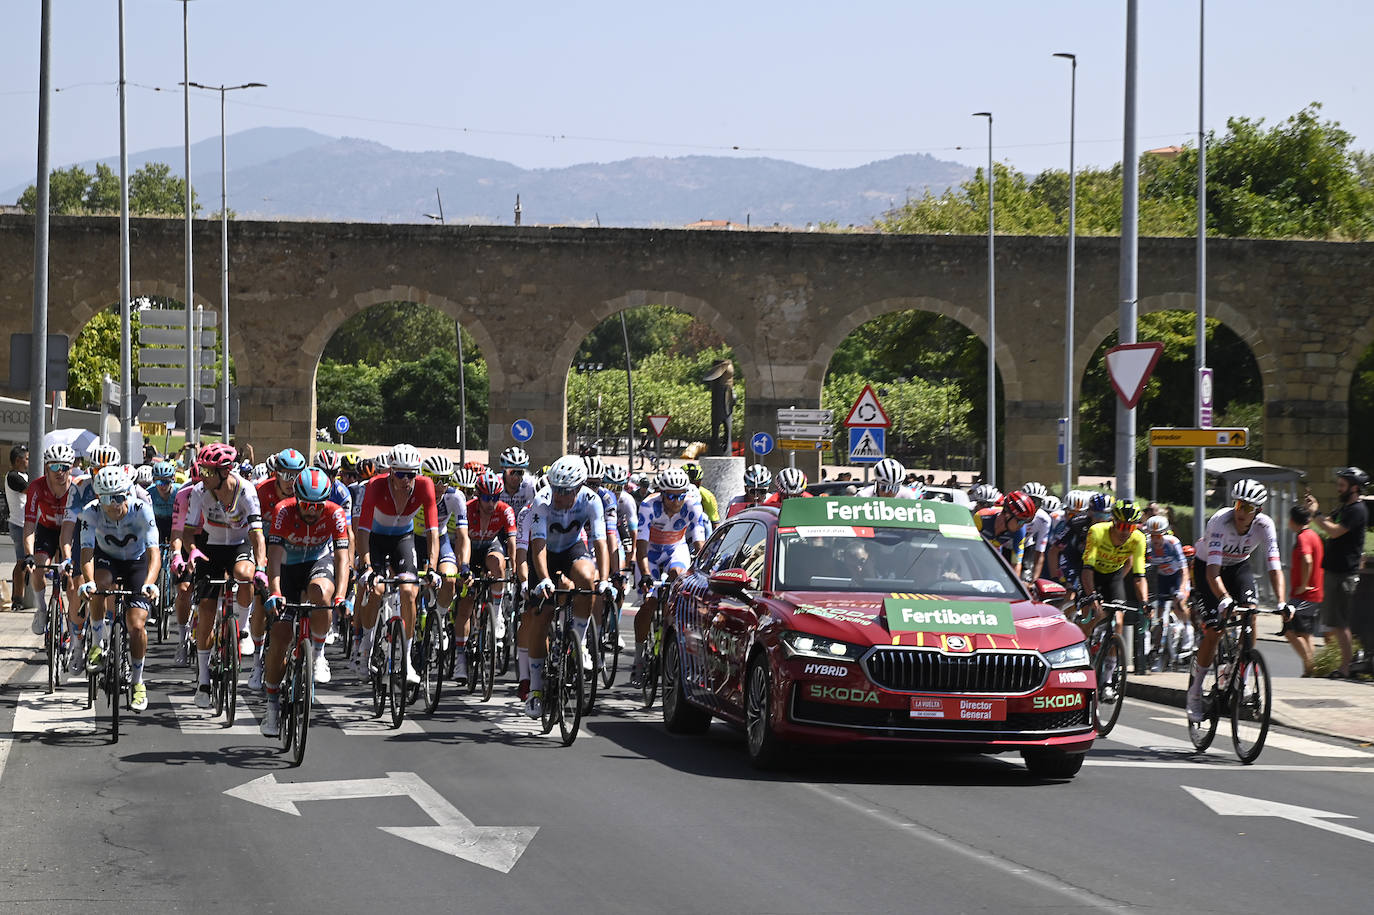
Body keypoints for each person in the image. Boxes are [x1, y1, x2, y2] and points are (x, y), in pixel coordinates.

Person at [1185, 479, 1286, 722]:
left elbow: (1274, 567)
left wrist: (1282, 602)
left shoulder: (1265, 526)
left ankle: (1244, 675)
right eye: (1239, 504)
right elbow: (1212, 573)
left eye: (1249, 508)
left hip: (1239, 567)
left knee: (1251, 614)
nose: (1242, 512)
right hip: (1208, 568)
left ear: (1258, 511)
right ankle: (1196, 691)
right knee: (1214, 630)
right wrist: (1223, 599)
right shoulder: (1221, 521)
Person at [261, 468, 350, 734]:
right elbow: (274, 557)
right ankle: (272, 707)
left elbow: (343, 558)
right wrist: (275, 591)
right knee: (279, 639)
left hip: (317, 562)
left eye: (318, 506)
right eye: (306, 505)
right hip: (287, 569)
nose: (312, 511)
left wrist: (342, 595)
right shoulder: (283, 511)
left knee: (321, 593)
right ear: (296, 499)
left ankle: (319, 654)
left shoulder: (335, 512)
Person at [525, 456, 614, 716]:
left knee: (588, 579)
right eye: (556, 489)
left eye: (565, 491)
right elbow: (538, 545)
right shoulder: (542, 501)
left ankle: (580, 642)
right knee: (541, 616)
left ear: (578, 488)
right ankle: (536, 689)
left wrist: (605, 580)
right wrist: (543, 578)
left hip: (572, 547)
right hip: (545, 555)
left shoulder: (591, 500)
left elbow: (600, 542)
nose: (559, 496)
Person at [182, 443, 268, 708]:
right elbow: (188, 532)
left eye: (208, 471)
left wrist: (261, 567)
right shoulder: (199, 492)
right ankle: (204, 681)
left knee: (245, 574)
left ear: (224, 472)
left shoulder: (246, 491)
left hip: (240, 544)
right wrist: (192, 551)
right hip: (212, 546)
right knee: (207, 610)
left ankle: (240, 631)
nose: (202, 475)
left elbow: (257, 536)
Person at [76, 465, 161, 712]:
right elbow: (87, 553)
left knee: (136, 625)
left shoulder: (141, 510)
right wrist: (88, 581)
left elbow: (154, 553)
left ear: (128, 493)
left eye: (119, 497)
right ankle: (97, 643)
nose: (113, 505)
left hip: (137, 562)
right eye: (106, 498)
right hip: (107, 559)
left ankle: (137, 682)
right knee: (98, 586)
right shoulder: (90, 512)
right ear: (97, 497)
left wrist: (150, 583)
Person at [354, 444, 440, 686]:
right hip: (375, 540)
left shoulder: (425, 486)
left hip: (403, 538)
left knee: (409, 590)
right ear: (390, 471)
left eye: (411, 474)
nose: (406, 480)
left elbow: (433, 531)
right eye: (400, 474)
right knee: (377, 589)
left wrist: (432, 567)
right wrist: (368, 567)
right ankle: (367, 644)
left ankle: (406, 661)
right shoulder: (375, 486)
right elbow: (363, 530)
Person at [630, 467, 704, 688]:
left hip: (675, 549)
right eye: (671, 496)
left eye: (681, 495)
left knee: (678, 576)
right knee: (650, 601)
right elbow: (640, 549)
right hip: (650, 553)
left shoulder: (691, 504)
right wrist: (644, 576)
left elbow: (699, 543)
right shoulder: (648, 506)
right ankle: (639, 658)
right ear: (662, 494)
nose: (676, 501)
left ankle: (671, 632)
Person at [1304, 467, 1367, 679]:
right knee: (1337, 623)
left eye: (1342, 485)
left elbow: (1333, 531)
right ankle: (1348, 663)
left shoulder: (1357, 510)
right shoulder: (1345, 508)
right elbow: (1327, 524)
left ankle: (1346, 667)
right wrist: (1314, 512)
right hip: (1334, 572)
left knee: (1340, 623)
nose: (1338, 488)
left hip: (1344, 574)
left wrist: (1316, 513)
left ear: (1354, 487)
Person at [1281, 504, 1324, 677]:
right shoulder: (1314, 535)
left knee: (1288, 630)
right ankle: (1308, 671)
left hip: (1303, 594)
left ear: (1292, 521)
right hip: (1315, 593)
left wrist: (1304, 584)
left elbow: (1307, 560)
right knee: (1305, 634)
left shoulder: (1303, 538)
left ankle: (1311, 667)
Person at [7, 445, 28, 611]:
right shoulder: (13, 476)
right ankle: (18, 599)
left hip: (24, 523)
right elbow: (30, 490)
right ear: (18, 460)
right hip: (19, 524)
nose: (28, 461)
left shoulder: (22, 475)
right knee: (21, 562)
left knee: (23, 562)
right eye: (26, 458)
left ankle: (19, 596)